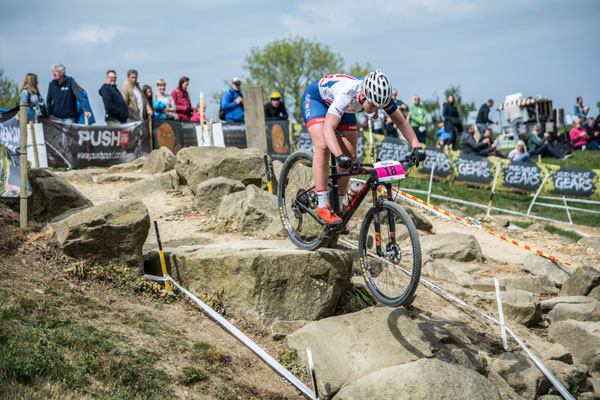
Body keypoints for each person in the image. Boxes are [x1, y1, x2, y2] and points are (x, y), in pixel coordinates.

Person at [301, 70, 425, 225]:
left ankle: (338, 209)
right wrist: (339, 155)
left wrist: (416, 146)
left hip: (347, 108)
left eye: (380, 106)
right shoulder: (347, 94)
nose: (375, 110)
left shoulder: (379, 96)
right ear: (365, 94)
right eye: (373, 105)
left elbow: (401, 122)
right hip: (317, 100)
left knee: (351, 156)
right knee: (323, 146)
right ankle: (323, 204)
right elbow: (328, 128)